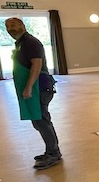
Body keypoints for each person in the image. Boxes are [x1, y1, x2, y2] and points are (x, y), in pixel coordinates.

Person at [5, 17, 62, 170]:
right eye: (8, 26)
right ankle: (53, 150)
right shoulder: (20, 44)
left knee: (41, 121)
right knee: (40, 121)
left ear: (22, 25)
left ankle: (53, 153)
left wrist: (29, 87)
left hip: (40, 88)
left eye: (14, 25)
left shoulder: (31, 42)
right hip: (36, 88)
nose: (10, 28)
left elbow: (37, 65)